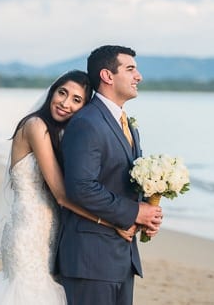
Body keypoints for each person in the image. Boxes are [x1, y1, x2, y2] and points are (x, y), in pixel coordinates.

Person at [0, 70, 136, 305]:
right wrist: (114, 222)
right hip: (29, 231)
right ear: (52, 92)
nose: (65, 103)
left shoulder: (62, 134)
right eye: (62, 93)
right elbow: (62, 195)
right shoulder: (35, 126)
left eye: (76, 100)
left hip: (52, 233)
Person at [56, 46, 163, 305]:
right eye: (130, 69)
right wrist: (134, 212)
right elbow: (81, 187)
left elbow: (119, 180)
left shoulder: (126, 123)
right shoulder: (87, 122)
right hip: (90, 260)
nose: (138, 76)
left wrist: (148, 212)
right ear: (107, 75)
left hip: (119, 257)